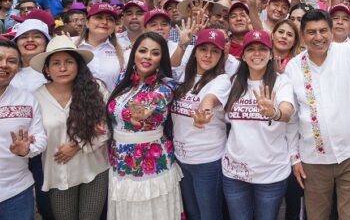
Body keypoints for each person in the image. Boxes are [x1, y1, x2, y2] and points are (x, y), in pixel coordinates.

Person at [286, 8, 350, 220]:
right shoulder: (294, 66)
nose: (318, 37)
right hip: (313, 161)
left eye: (323, 31)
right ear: (303, 35)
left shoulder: (349, 53)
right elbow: (292, 118)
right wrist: (294, 157)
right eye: (312, 32)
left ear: (331, 32)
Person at [31, 36, 110, 220]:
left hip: (94, 170)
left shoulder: (95, 89)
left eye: (69, 62)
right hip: (58, 176)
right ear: (47, 69)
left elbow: (108, 126)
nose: (63, 68)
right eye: (56, 63)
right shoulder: (36, 98)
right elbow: (35, 136)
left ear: (78, 65)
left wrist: (77, 143)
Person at [106, 32, 183, 219]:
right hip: (120, 160)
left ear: (161, 59)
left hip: (151, 161)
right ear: (134, 53)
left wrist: (141, 114)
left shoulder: (166, 87)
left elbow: (153, 102)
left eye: (155, 53)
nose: (148, 56)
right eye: (143, 51)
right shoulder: (123, 79)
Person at [223, 30, 295, 220]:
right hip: (234, 173)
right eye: (251, 49)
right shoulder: (232, 83)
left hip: (271, 174)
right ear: (244, 56)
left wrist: (275, 112)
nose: (257, 54)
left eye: (262, 49)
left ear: (271, 54)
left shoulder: (281, 82)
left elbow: (287, 112)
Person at [171, 28, 231, 220]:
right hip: (181, 158)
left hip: (207, 161)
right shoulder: (182, 77)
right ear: (194, 50)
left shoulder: (221, 80)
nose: (208, 55)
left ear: (222, 55)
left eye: (215, 51)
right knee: (193, 213)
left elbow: (210, 100)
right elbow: (167, 66)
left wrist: (203, 113)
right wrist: (182, 43)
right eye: (203, 48)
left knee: (209, 215)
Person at [0, 40, 47, 218]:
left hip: (16, 193)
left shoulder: (27, 100)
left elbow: (40, 138)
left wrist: (26, 150)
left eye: (12, 61)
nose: (3, 65)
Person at [78, 3, 125, 91]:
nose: (104, 22)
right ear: (87, 23)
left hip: (110, 103)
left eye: (110, 19)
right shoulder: (71, 46)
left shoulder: (124, 50)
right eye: (99, 17)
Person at [10, 19, 51, 92]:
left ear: (46, 43)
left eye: (37, 36)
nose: (30, 40)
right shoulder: (7, 69)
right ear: (16, 43)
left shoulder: (53, 71)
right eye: (24, 37)